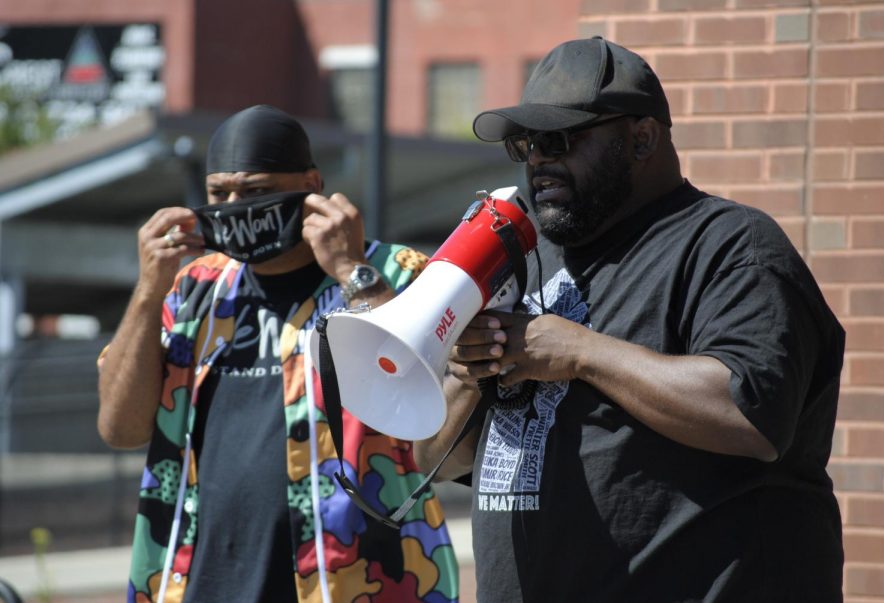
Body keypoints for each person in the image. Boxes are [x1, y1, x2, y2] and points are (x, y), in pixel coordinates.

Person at [414, 37, 844, 602]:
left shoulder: (730, 246)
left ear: (641, 138)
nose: (538, 159)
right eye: (526, 144)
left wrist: (580, 353)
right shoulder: (526, 259)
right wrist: (474, 372)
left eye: (559, 139)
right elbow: (436, 460)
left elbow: (749, 414)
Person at [97, 104, 459, 603]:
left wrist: (350, 271)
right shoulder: (194, 289)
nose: (234, 206)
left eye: (257, 192)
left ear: (311, 184)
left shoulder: (396, 273)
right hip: (200, 581)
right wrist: (148, 291)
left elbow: (438, 421)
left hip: (356, 581)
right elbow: (121, 428)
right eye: (219, 194)